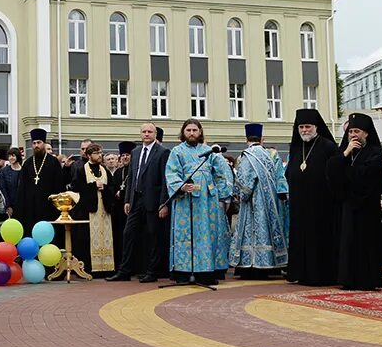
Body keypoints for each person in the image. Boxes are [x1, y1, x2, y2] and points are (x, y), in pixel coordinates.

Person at [162, 119, 233, 285]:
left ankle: (206, 272)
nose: (192, 133)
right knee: (185, 235)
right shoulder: (177, 151)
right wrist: (181, 186)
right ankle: (184, 272)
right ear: (183, 132)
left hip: (208, 201)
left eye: (195, 130)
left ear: (200, 132)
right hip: (185, 201)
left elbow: (222, 173)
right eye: (188, 130)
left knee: (207, 235)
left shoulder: (209, 152)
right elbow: (171, 173)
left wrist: (221, 194)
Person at [327, 113, 382, 291]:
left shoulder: (375, 152)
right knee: (348, 242)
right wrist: (346, 153)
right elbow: (331, 171)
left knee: (366, 244)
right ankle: (348, 279)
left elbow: (367, 175)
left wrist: (346, 171)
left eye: (357, 131)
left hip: (367, 205)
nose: (353, 135)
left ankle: (368, 280)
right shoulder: (344, 151)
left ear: (366, 133)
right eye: (351, 131)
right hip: (348, 205)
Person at [285, 109, 342, 286]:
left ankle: (321, 275)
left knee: (319, 239)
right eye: (301, 127)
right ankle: (300, 272)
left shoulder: (328, 146)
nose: (304, 130)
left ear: (316, 127)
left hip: (321, 204)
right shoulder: (296, 147)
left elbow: (336, 172)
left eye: (308, 126)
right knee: (300, 237)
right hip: (299, 203)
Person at [108, 124, 171, 282]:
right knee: (128, 233)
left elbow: (165, 180)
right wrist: (128, 200)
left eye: (150, 132)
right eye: (144, 132)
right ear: (140, 134)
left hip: (154, 200)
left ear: (155, 134)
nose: (147, 134)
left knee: (153, 236)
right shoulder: (135, 152)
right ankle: (125, 271)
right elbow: (131, 177)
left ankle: (152, 271)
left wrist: (164, 203)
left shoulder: (163, 152)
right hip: (136, 199)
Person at [229, 124, 289, 277]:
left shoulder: (246, 156)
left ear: (246, 139)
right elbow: (280, 177)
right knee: (267, 231)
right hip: (271, 201)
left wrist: (240, 196)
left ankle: (251, 266)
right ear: (262, 139)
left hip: (252, 203)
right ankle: (271, 264)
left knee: (250, 232)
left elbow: (245, 185)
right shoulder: (271, 154)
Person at [68, 143, 117, 274]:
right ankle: (90, 268)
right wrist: (93, 186)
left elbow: (112, 187)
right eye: (96, 153)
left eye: (101, 152)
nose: (100, 155)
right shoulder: (81, 170)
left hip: (104, 210)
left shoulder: (104, 170)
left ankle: (106, 268)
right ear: (89, 155)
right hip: (88, 210)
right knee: (86, 239)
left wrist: (104, 188)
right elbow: (76, 188)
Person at [13, 129, 63, 233]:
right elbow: (22, 187)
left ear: (44, 144)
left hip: (48, 206)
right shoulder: (28, 163)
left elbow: (59, 185)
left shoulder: (53, 162)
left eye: (39, 143)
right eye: (34, 143)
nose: (36, 145)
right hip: (30, 206)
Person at [110, 141, 134, 268]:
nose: (125, 157)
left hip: (131, 208)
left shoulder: (135, 170)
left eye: (127, 155)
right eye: (123, 155)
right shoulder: (119, 172)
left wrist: (123, 192)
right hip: (119, 210)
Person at [0, 147, 23, 214]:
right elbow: (3, 189)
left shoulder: (24, 171)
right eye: (9, 156)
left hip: (23, 205)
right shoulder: (4, 171)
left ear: (18, 156)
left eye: (13, 156)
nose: (11, 158)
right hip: (10, 205)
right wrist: (8, 206)